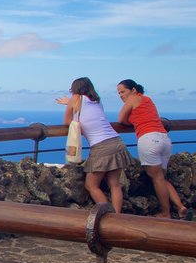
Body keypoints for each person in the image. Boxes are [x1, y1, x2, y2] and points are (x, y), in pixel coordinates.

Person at [56, 77, 132, 213]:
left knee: (91, 185)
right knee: (115, 185)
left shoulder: (76, 98)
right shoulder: (97, 101)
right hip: (116, 141)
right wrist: (70, 103)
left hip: (101, 146)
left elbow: (67, 121)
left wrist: (69, 104)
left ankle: (109, 216)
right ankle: (118, 217)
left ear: (75, 89)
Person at [116, 79, 190, 219]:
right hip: (164, 138)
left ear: (133, 90)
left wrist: (129, 121)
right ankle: (180, 207)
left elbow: (120, 120)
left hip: (149, 139)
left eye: (123, 91)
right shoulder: (147, 100)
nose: (121, 95)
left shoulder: (133, 98)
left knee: (157, 179)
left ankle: (166, 213)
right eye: (119, 93)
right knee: (161, 177)